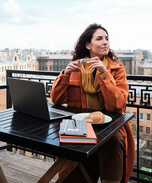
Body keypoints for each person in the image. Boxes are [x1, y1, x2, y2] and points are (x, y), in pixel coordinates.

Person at [51, 23, 135, 183]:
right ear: (88, 45)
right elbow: (56, 99)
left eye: (107, 39)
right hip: (80, 125)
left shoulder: (117, 70)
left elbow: (118, 105)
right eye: (99, 38)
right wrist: (65, 75)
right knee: (70, 157)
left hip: (109, 127)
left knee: (115, 140)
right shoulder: (76, 67)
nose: (105, 42)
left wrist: (104, 73)